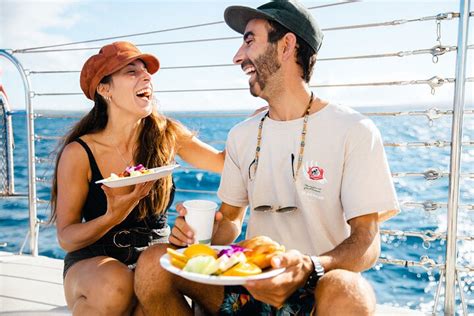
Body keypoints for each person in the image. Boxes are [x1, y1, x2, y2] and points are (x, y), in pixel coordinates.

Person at [134, 1, 399, 315]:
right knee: (154, 263)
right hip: (248, 285)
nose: (237, 56)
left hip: (316, 284)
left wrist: (310, 266)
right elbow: (231, 219)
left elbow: (367, 241)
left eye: (249, 40)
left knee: (350, 290)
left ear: (286, 45)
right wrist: (196, 245)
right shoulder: (242, 135)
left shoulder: (354, 130)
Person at [50, 41, 225, 315]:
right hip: (94, 259)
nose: (147, 77)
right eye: (131, 72)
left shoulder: (166, 134)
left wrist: (258, 127)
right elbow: (66, 238)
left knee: (147, 293)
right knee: (115, 285)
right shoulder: (79, 152)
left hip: (154, 253)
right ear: (104, 89)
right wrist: (111, 217)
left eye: (146, 72)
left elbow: (222, 162)